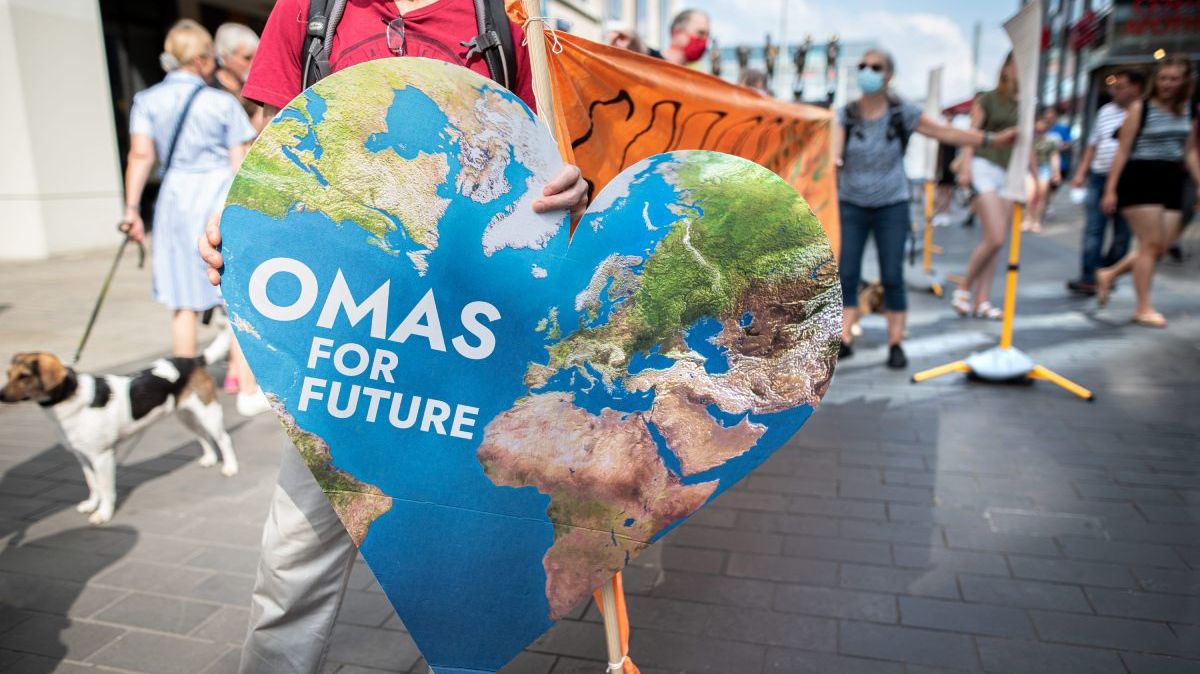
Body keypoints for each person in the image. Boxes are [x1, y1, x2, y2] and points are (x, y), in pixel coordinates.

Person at [195, 2, 588, 672]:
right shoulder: (311, 10)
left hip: (463, 337)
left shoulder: (501, 19)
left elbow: (538, 161)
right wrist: (237, 225)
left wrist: (572, 192)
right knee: (294, 565)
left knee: (462, 571)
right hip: (347, 335)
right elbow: (272, 151)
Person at [834, 49, 1015, 369]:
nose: (867, 71)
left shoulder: (900, 111)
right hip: (851, 203)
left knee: (892, 275)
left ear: (888, 75)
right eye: (862, 66)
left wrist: (989, 139)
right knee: (846, 274)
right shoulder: (846, 114)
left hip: (892, 202)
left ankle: (895, 343)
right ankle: (844, 337)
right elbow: (834, 151)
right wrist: (831, 163)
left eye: (875, 67)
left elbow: (945, 132)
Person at [121, 19, 256, 359]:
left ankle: (184, 385)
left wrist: (131, 209)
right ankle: (244, 386)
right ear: (201, 59)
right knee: (231, 295)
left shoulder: (146, 100)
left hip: (175, 198)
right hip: (216, 196)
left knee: (182, 303)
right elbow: (240, 161)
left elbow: (140, 155)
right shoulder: (222, 103)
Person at [1097, 55, 1200, 328]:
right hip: (1140, 176)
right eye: (1164, 78)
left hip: (1171, 178)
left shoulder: (1189, 110)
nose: (1168, 84)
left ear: (1185, 81)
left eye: (1174, 79)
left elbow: (1189, 151)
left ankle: (1109, 274)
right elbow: (1122, 152)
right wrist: (1110, 190)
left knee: (1161, 247)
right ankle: (1143, 307)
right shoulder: (1140, 108)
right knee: (1150, 245)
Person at [213, 21, 271, 415]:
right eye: (247, 57)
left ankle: (238, 373)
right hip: (227, 193)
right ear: (224, 57)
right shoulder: (219, 99)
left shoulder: (228, 94)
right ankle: (246, 382)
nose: (252, 65)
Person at [952, 53, 1019, 320]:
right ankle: (965, 288)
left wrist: (1035, 179)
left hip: (1008, 171)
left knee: (995, 241)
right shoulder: (988, 99)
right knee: (995, 237)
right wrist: (966, 169)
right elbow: (971, 136)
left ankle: (982, 300)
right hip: (983, 167)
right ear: (1005, 67)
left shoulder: (1025, 104)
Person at [1067, 69, 1144, 295]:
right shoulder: (1105, 111)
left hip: (1128, 180)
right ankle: (1089, 277)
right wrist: (1081, 173)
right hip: (1099, 177)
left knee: (1123, 236)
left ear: (1136, 88)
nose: (1114, 91)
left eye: (1120, 87)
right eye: (1113, 86)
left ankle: (1107, 272)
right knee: (1094, 229)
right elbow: (1093, 144)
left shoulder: (1143, 111)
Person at [1025, 109, 1063, 234]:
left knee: (1041, 195)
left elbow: (1054, 156)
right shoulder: (1029, 139)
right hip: (1030, 169)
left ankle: (1036, 221)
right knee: (1030, 195)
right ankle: (1028, 218)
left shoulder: (1051, 139)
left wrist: (1056, 172)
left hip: (1044, 168)